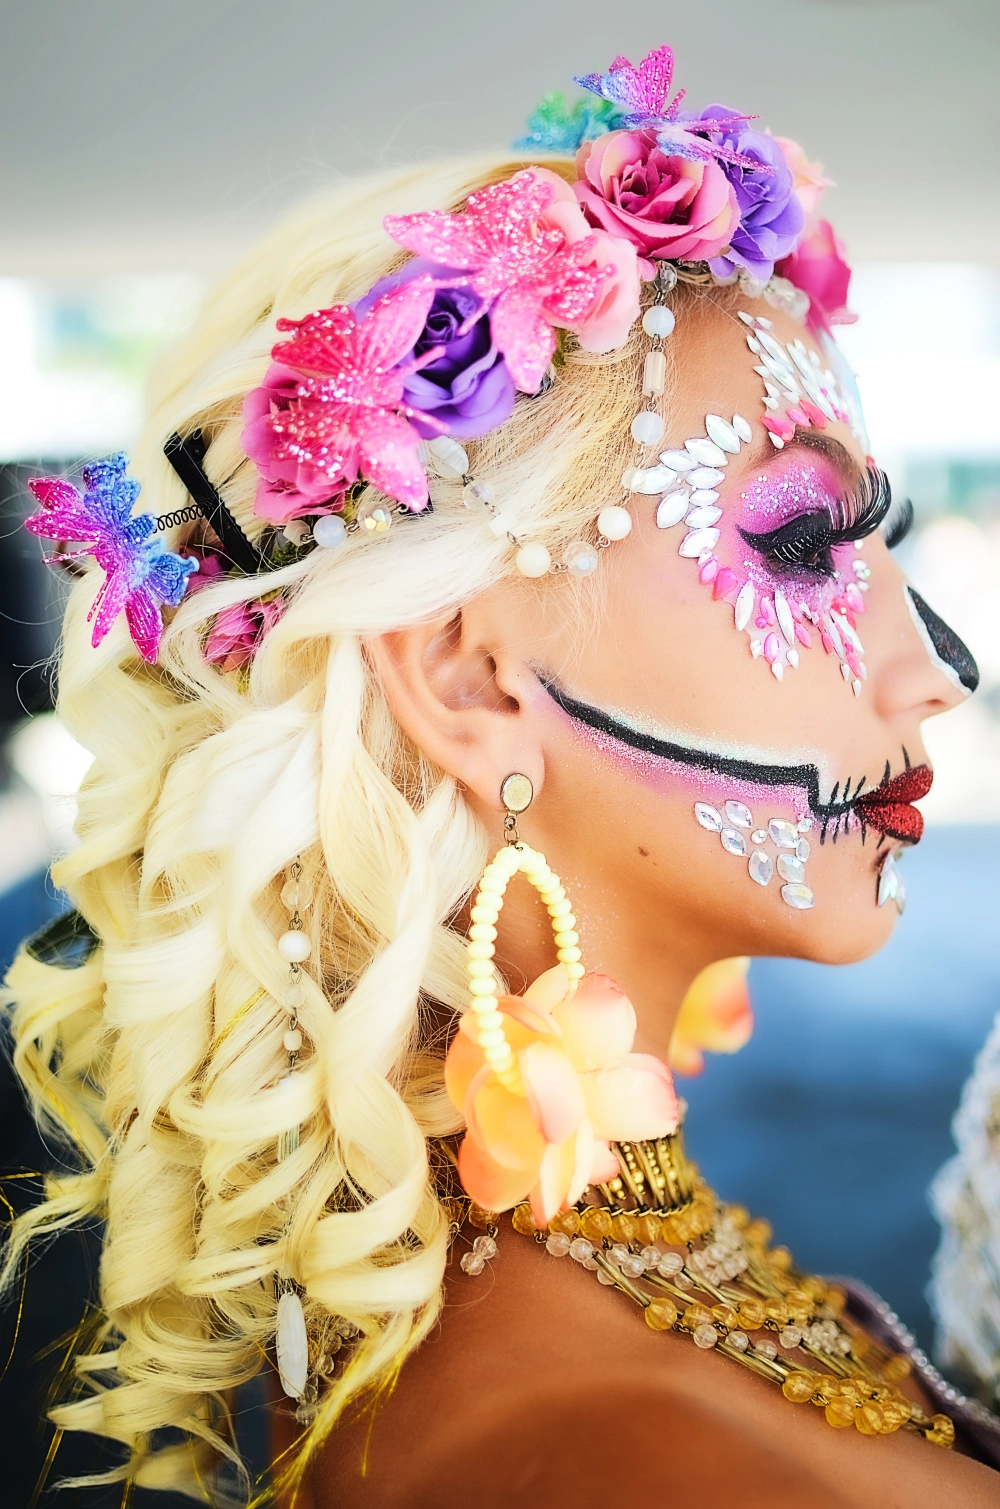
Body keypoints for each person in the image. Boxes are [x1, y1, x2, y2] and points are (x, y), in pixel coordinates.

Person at [4, 41, 998, 1509]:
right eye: (800, 544)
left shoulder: (563, 1319)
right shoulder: (619, 1467)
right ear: (469, 682)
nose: (935, 667)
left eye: (879, 549)